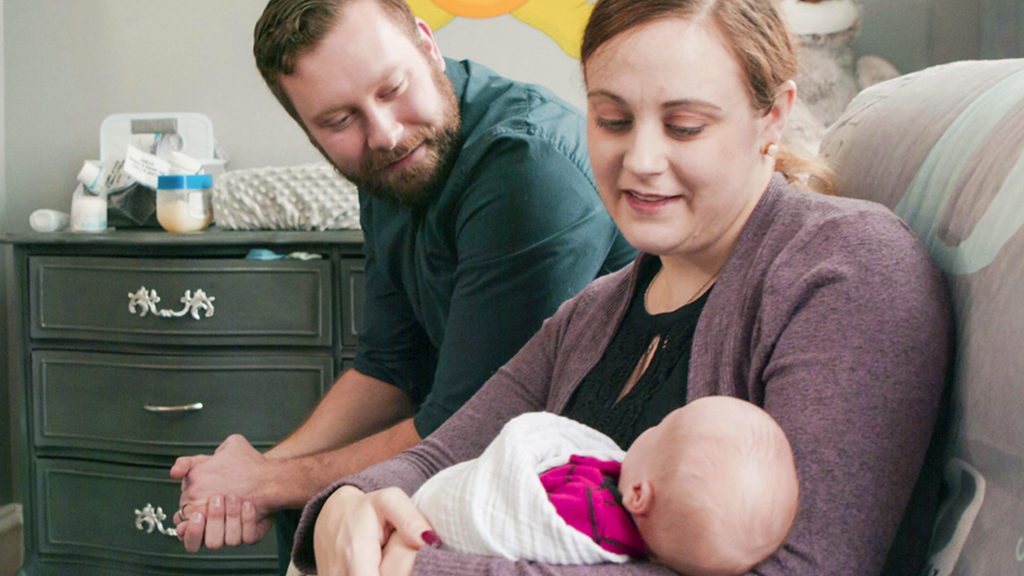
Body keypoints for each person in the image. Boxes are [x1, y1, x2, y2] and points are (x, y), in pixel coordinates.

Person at [293, 0, 954, 574]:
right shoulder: (594, 315)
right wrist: (343, 504)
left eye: (684, 125)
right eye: (612, 119)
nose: (639, 160)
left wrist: (428, 569)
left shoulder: (849, 269)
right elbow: (439, 454)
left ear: (773, 115)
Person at [168, 0, 636, 562]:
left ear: (426, 43)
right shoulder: (389, 163)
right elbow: (389, 366)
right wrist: (256, 471)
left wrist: (264, 485)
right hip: (482, 453)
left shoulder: (526, 168)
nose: (384, 132)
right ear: (308, 129)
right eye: (339, 120)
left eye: (392, 88)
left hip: (589, 480)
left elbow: (465, 425)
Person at [410, 397, 799, 576]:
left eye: (662, 429)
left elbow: (517, 506)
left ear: (638, 495)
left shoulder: (587, 513)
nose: (654, 426)